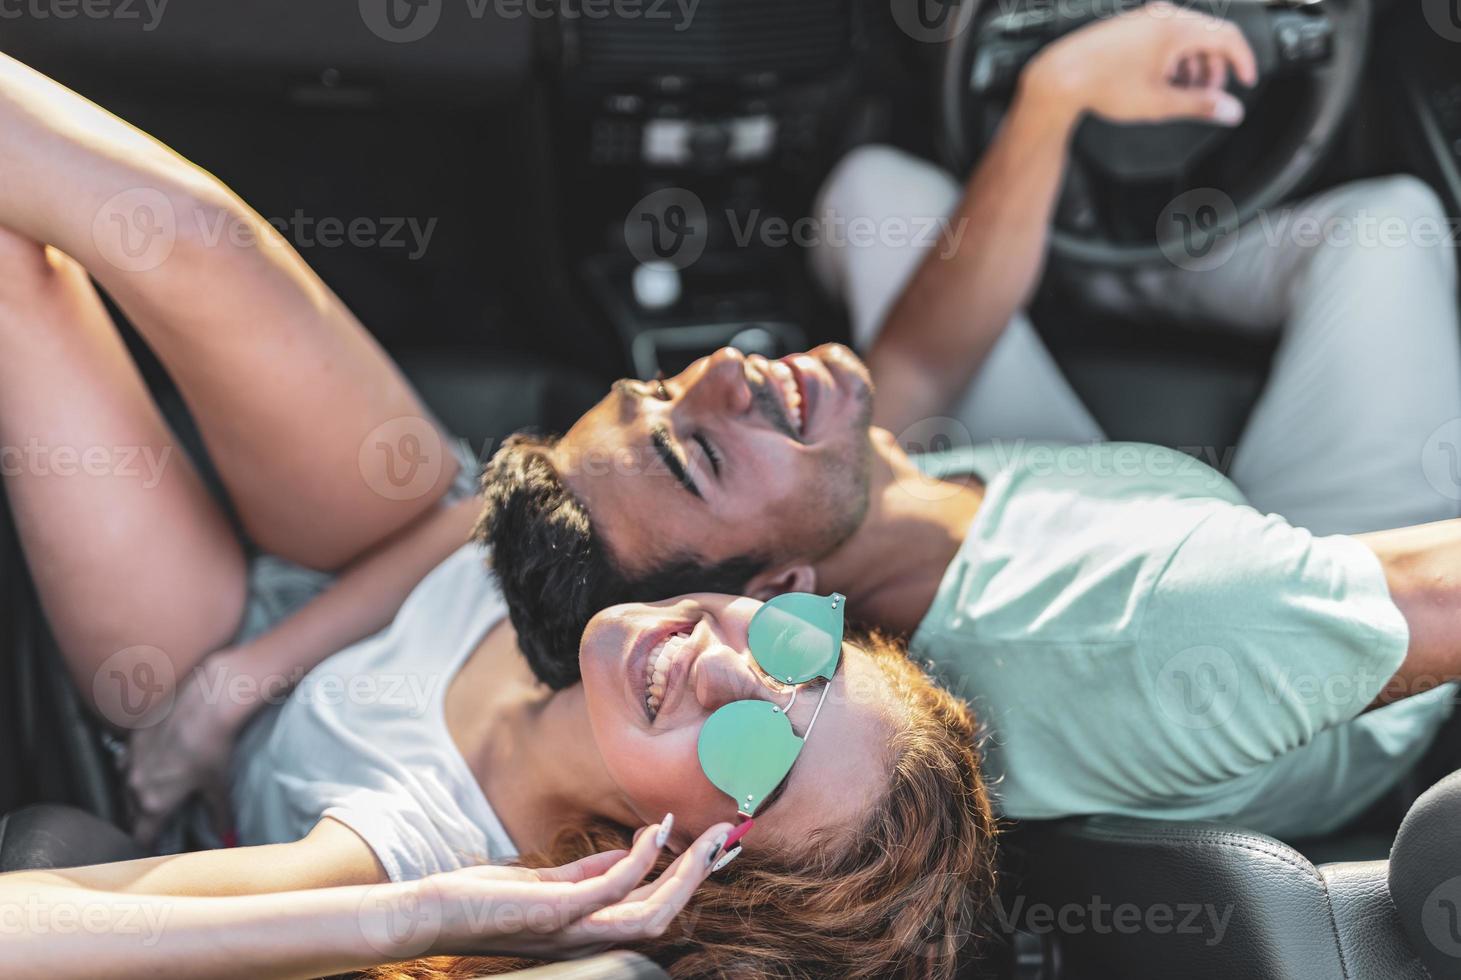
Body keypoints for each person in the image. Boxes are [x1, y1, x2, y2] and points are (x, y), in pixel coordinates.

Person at [0, 54, 996, 979]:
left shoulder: (421, 850)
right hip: (359, 562)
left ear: (693, 863)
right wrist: (247, 677)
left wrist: (412, 914)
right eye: (797, 650)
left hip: (184, 668)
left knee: (15, 274)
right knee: (177, 231)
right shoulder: (633, 597)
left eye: (759, 751)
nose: (726, 662)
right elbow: (492, 517)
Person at [813, 3, 1461, 538]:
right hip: (1337, 586)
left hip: (1074, 530)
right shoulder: (1362, 629)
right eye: (708, 457)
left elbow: (914, 376)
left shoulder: (845, 543)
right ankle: (1097, 265)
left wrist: (1057, 89)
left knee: (874, 192)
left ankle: (1091, 268)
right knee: (1392, 220)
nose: (739, 373)